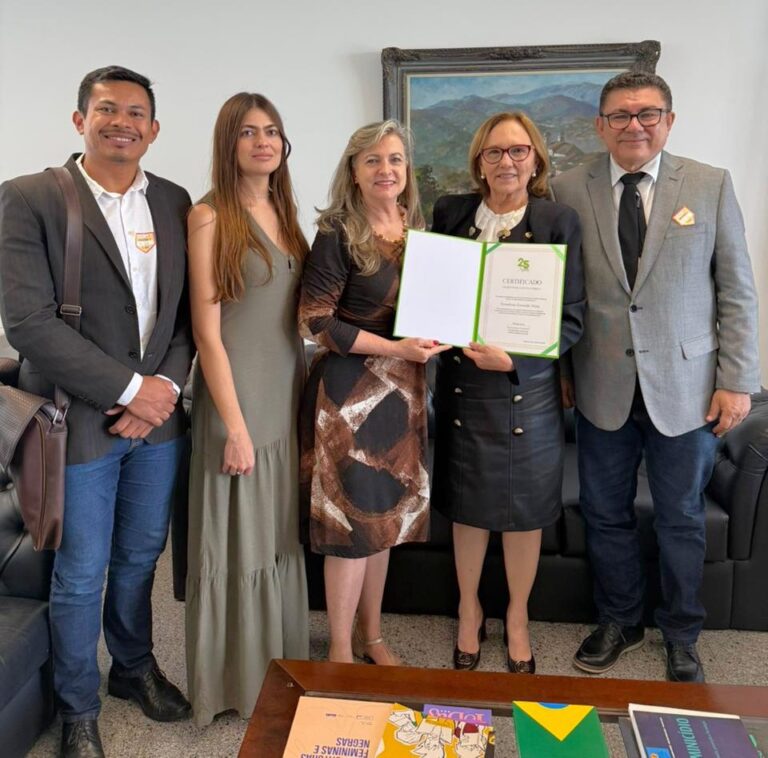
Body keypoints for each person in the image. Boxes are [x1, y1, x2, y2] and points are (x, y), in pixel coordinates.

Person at [0, 66, 193, 757]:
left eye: (136, 112)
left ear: (154, 129)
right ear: (80, 120)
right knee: (82, 570)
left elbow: (183, 316)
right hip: (73, 419)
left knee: (141, 556)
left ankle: (133, 668)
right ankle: (78, 706)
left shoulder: (173, 200)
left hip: (159, 422)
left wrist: (161, 390)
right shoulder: (29, 197)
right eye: (107, 109)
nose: (122, 122)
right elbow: (29, 324)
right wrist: (129, 391)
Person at [551, 71, 760, 682]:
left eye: (647, 113)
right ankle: (620, 620)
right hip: (600, 385)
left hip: (689, 389)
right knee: (604, 512)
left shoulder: (710, 184)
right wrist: (561, 370)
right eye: (620, 115)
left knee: (681, 516)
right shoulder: (567, 188)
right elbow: (559, 293)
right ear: (600, 125)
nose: (634, 125)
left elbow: (737, 291)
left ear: (669, 121)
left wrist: (737, 380)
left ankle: (681, 632)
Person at [430, 112, 585, 673]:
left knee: (525, 513)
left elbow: (572, 318)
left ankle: (517, 616)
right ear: (479, 161)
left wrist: (514, 359)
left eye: (518, 151)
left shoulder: (557, 221)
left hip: (528, 390)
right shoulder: (450, 213)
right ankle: (468, 609)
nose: (507, 162)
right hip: (464, 388)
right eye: (494, 152)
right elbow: (433, 288)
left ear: (536, 159)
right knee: (467, 509)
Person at [299, 120, 448, 665]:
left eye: (395, 159)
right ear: (354, 171)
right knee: (351, 527)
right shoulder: (338, 232)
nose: (386, 170)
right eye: (373, 160)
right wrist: (396, 348)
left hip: (404, 393)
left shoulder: (418, 229)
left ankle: (373, 636)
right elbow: (315, 321)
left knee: (384, 521)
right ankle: (340, 650)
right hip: (349, 396)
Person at [184, 93, 310, 726]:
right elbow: (208, 334)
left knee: (277, 538)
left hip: (286, 396)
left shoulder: (287, 212)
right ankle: (232, 684)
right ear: (227, 142)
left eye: (272, 131)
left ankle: (281, 667)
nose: (263, 142)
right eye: (248, 132)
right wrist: (234, 427)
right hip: (237, 404)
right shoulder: (208, 216)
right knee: (236, 546)